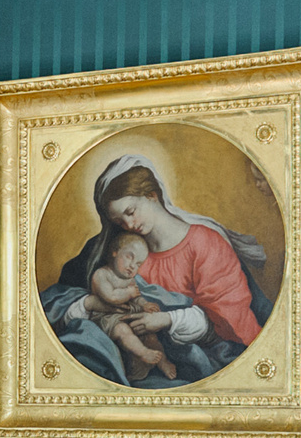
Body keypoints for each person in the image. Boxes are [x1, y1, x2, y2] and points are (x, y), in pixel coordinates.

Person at [39, 155, 278, 386]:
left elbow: (227, 317)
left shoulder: (204, 242)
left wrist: (166, 319)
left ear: (152, 195)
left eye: (131, 212)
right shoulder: (121, 251)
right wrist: (91, 304)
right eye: (119, 221)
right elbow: (68, 298)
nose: (129, 225)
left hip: (206, 359)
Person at [81, 231, 176, 380]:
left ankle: (162, 362)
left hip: (126, 315)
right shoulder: (101, 275)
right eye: (129, 257)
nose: (132, 266)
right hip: (107, 318)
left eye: (138, 263)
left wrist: (144, 305)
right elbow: (110, 297)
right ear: (114, 252)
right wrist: (128, 293)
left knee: (150, 334)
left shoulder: (129, 280)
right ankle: (144, 353)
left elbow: (137, 298)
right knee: (122, 330)